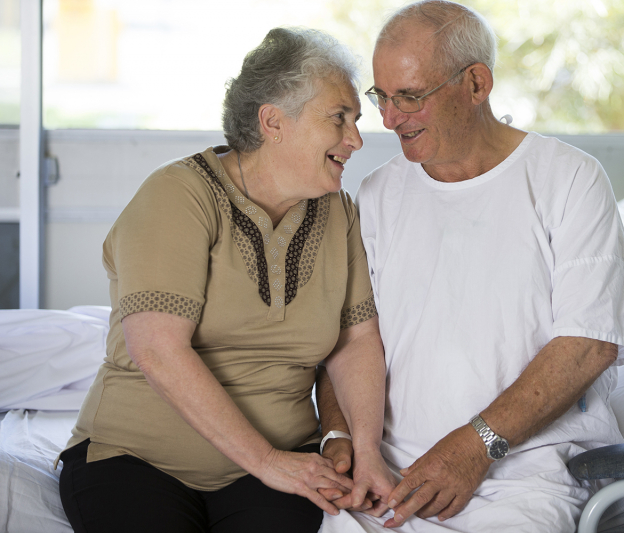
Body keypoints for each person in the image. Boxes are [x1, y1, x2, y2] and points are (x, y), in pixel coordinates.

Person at [318, 2, 624, 531]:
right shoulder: (378, 192)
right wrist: (342, 440)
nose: (388, 119)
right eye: (380, 98)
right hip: (387, 478)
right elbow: (344, 339)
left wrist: (474, 448)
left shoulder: (568, 179)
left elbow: (589, 343)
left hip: (522, 480)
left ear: (477, 84)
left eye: (409, 96)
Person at [56, 27, 391, 533]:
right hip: (137, 460)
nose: (356, 140)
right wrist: (267, 461)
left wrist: (364, 451)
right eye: (339, 118)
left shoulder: (338, 213)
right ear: (273, 121)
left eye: (356, 121)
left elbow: (356, 340)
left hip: (280, 463)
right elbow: (157, 349)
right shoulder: (178, 195)